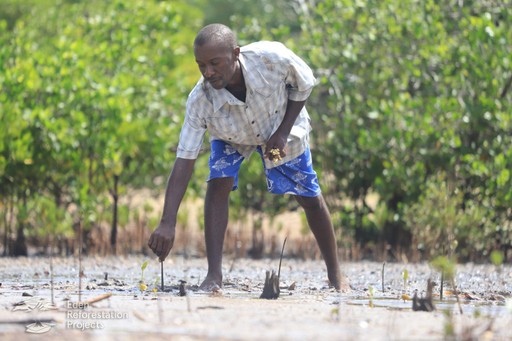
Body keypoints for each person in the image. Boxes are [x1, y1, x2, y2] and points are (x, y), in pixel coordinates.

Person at [148, 23, 348, 291]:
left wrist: (282, 132)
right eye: (201, 65)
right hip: (231, 134)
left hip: (278, 123)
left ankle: (336, 276)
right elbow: (184, 159)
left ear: (235, 53)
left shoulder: (271, 59)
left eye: (215, 63)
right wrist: (167, 222)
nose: (208, 72)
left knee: (309, 196)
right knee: (218, 181)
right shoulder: (200, 100)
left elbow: (305, 82)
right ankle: (214, 277)